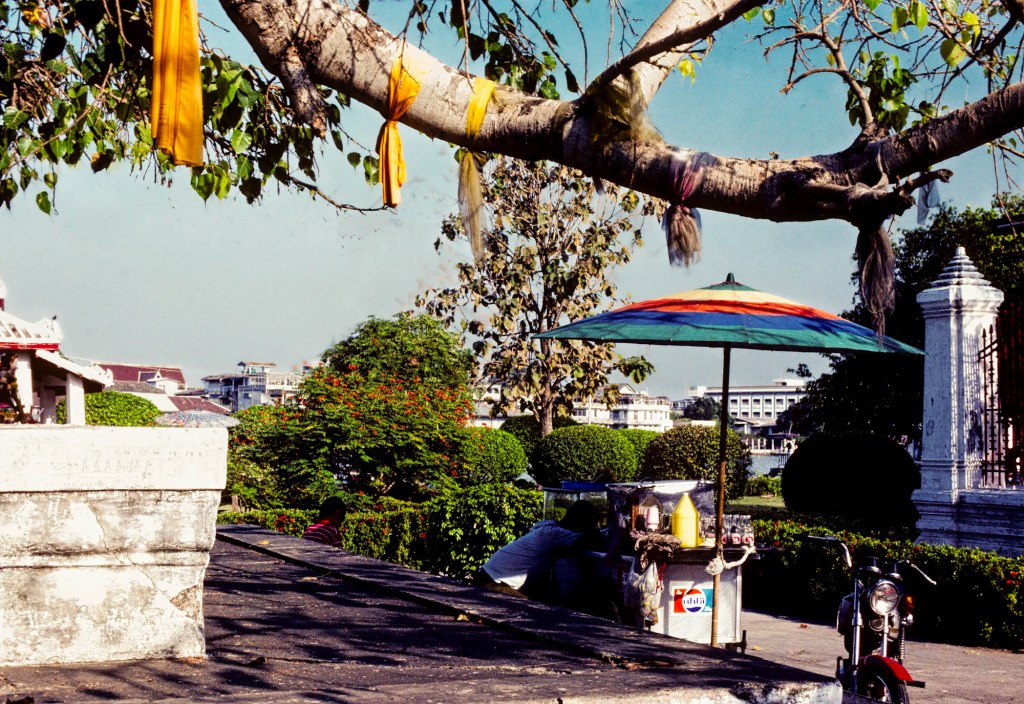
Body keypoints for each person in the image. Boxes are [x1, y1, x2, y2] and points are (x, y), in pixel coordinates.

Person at [475, 500, 602, 599]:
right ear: (579, 522)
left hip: (490, 577)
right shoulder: (553, 534)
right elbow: (589, 541)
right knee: (531, 609)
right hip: (491, 582)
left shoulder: (548, 529)